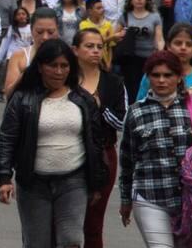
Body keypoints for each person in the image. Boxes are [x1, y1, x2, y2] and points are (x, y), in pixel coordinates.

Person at [0, 39, 107, 248]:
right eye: (53, 65)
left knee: (72, 241)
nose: (58, 71)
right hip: (33, 183)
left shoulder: (83, 100)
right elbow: (8, 138)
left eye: (64, 66)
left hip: (74, 181)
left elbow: (95, 142)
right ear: (40, 67)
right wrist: (4, 177)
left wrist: (97, 182)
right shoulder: (22, 99)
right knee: (37, 243)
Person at [119, 50, 192, 247]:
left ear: (179, 77)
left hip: (191, 200)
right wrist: (125, 200)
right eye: (155, 75)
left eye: (168, 75)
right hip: (149, 197)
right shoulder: (135, 112)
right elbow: (127, 161)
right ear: (148, 77)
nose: (161, 80)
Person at [72, 29, 127, 248]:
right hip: (67, 152)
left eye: (99, 46)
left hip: (103, 155)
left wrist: (100, 107)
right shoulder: (64, 78)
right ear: (75, 50)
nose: (95, 51)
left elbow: (122, 122)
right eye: (89, 46)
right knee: (63, 221)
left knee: (93, 224)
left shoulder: (113, 82)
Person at [136, 23, 192, 119]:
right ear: (168, 45)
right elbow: (139, 108)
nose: (183, 48)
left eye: (189, 44)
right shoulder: (154, 74)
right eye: (178, 43)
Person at [113, 0, 164, 104]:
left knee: (148, 87)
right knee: (132, 89)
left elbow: (159, 38)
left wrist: (160, 51)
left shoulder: (154, 17)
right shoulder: (125, 16)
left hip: (148, 58)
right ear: (131, 0)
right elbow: (115, 36)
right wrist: (121, 34)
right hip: (130, 59)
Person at [4, 7, 60, 97]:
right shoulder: (19, 56)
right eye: (39, 32)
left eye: (50, 32)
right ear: (31, 30)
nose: (45, 37)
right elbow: (8, 93)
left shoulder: (66, 56)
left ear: (57, 30)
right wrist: (26, 74)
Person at [79, 0, 116, 70]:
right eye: (98, 8)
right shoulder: (84, 25)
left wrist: (109, 62)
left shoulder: (108, 25)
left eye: (102, 8)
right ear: (90, 11)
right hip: (90, 60)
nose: (102, 10)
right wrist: (111, 38)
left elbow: (110, 47)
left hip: (105, 62)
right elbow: (89, 43)